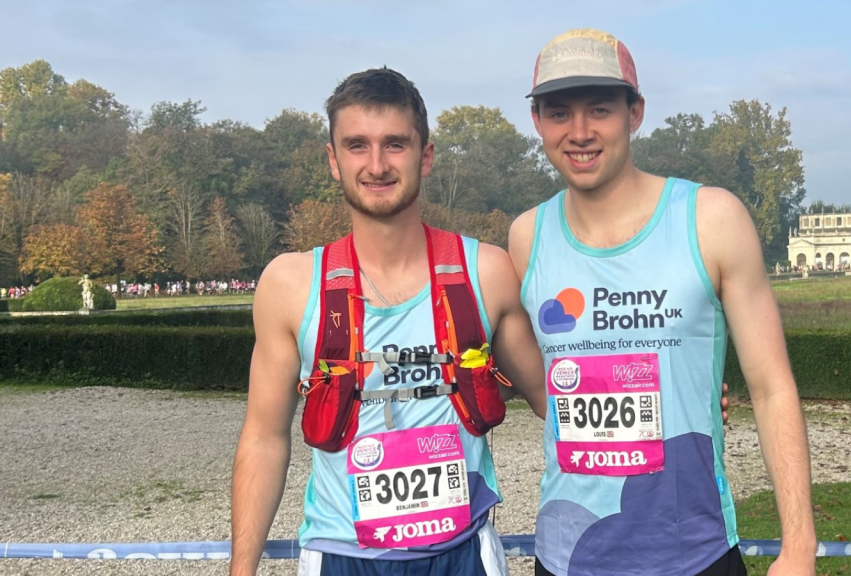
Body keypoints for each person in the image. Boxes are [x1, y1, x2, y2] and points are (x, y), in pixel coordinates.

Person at [508, 29, 817, 576]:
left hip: (694, 553)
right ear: (537, 122)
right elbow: (544, 386)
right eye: (559, 113)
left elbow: (773, 388)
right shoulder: (527, 237)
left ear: (635, 113)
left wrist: (798, 546)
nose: (579, 132)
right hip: (568, 556)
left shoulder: (712, 218)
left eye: (599, 109)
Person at [230, 68, 548, 576]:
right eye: (357, 145)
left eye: (395, 144)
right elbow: (265, 437)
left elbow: (551, 400)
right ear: (333, 160)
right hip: (340, 556)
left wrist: (683, 401)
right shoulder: (289, 284)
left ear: (426, 155)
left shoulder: (485, 271)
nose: (376, 165)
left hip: (463, 554)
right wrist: (240, 571)